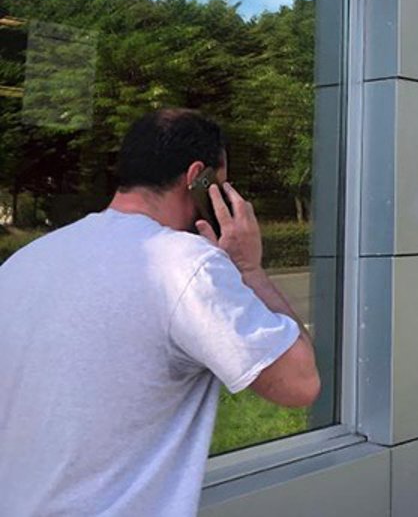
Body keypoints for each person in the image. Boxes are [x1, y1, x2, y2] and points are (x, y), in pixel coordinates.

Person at [0, 109, 319, 516]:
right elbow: (300, 384)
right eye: (222, 184)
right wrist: (249, 269)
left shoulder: (26, 262)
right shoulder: (187, 265)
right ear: (198, 177)